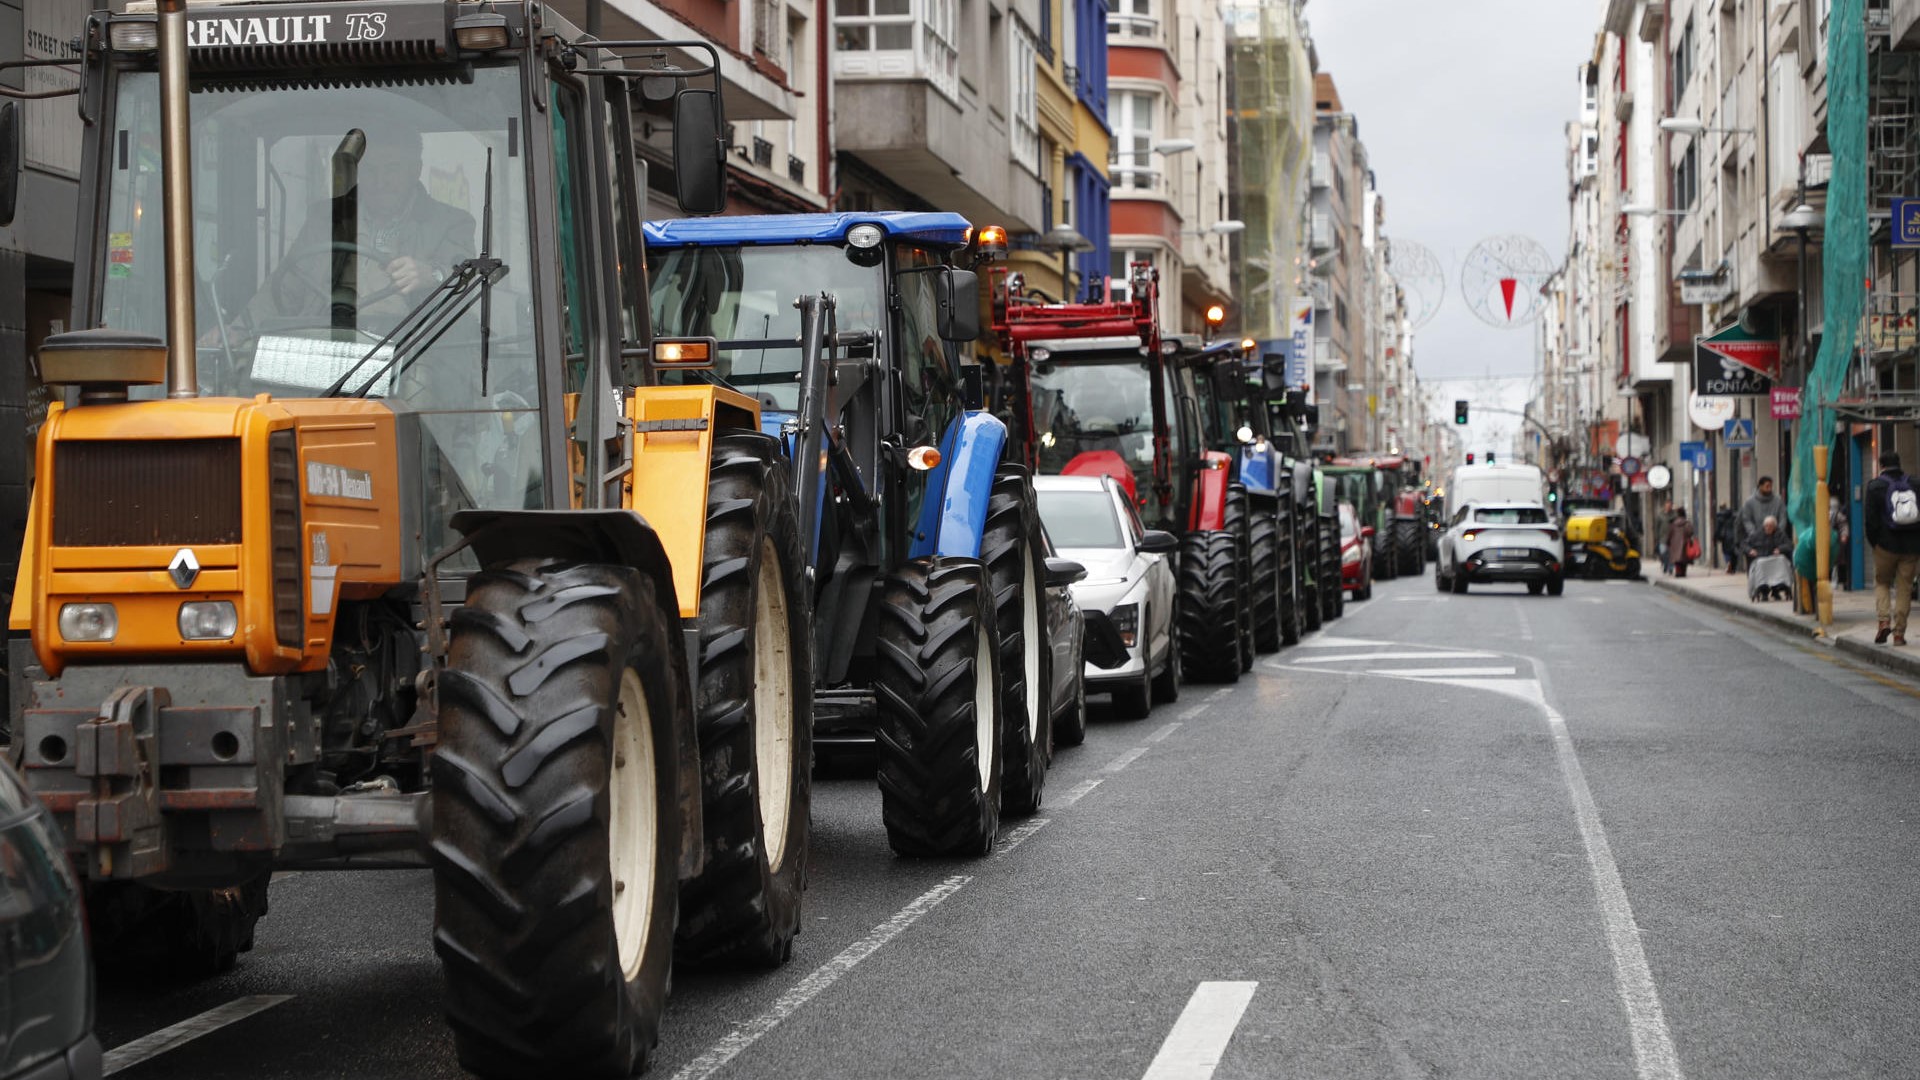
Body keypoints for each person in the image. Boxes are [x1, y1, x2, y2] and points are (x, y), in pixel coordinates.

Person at [1863, 451, 1920, 645]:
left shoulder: (1875, 486)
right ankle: (1899, 633)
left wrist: (1875, 543)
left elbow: (1870, 521)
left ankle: (1884, 621)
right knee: (1905, 588)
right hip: (1911, 547)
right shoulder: (1915, 483)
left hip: (1885, 546)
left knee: (1882, 583)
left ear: (1881, 465)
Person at [1737, 476, 1787, 561]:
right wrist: (1754, 533)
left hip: (1774, 539)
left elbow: (1783, 517)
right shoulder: (1749, 502)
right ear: (1760, 486)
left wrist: (1778, 531)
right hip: (1756, 541)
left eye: (1771, 486)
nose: (1769, 488)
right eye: (1767, 486)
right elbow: (1746, 519)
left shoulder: (1778, 501)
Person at [1747, 516, 1793, 600]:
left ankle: (1778, 587)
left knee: (1782, 560)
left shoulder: (1780, 534)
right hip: (1761, 558)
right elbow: (1745, 544)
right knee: (1760, 564)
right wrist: (1750, 550)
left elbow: (1789, 545)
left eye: (1770, 526)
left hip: (1775, 559)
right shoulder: (1757, 534)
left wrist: (1780, 549)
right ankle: (1763, 588)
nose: (1768, 528)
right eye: (1766, 526)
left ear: (1774, 527)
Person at [1665, 506, 1696, 578]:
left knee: (1677, 560)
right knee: (1684, 559)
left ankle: (1678, 572)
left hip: (1674, 544)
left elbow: (1669, 533)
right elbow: (1691, 532)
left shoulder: (1673, 524)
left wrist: (1667, 542)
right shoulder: (1687, 523)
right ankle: (1683, 572)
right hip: (1685, 543)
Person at [1714, 503, 1739, 573]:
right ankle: (1733, 568)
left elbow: (1718, 528)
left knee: (1726, 551)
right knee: (1734, 552)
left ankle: (1728, 562)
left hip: (1725, 536)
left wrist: (1716, 537)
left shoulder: (1720, 517)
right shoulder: (1733, 515)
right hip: (1734, 535)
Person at [1654, 499, 1675, 575]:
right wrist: (1656, 538)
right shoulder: (1660, 515)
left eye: (1670, 505)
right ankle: (1665, 564)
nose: (1669, 507)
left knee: (1671, 554)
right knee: (1663, 553)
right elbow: (1657, 527)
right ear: (1665, 506)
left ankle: (1670, 567)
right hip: (1662, 538)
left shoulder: (1674, 514)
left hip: (1672, 538)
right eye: (1667, 505)